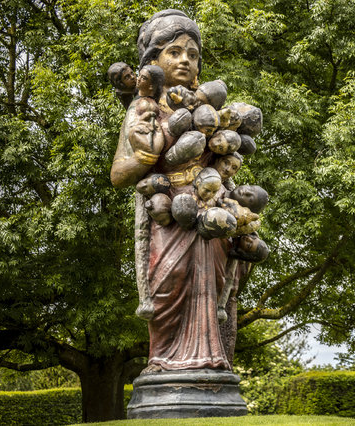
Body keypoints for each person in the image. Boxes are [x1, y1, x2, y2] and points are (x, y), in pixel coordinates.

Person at [110, 9, 236, 372]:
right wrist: (148, 156)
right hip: (165, 214)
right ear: (154, 61)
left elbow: (225, 161)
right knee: (167, 286)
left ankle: (210, 361)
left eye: (193, 55)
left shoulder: (209, 109)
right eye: (175, 52)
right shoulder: (143, 108)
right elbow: (120, 174)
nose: (185, 60)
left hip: (208, 213)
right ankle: (163, 362)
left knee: (210, 287)